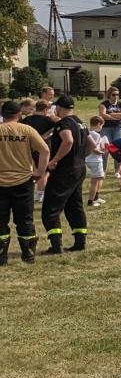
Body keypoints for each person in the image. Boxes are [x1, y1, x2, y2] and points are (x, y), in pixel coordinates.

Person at [0, 100, 49, 265]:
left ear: (2, 113)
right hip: (24, 181)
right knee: (25, 219)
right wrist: (40, 172)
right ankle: (28, 255)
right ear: (19, 114)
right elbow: (45, 150)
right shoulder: (27, 130)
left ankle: (1, 256)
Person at [41, 95, 89, 254]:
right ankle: (80, 242)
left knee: (51, 207)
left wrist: (54, 160)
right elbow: (91, 144)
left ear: (59, 108)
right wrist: (80, 157)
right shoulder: (80, 122)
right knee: (75, 206)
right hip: (79, 168)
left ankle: (56, 246)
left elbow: (67, 141)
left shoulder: (64, 123)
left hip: (65, 171)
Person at [85, 116, 110, 207]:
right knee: (95, 181)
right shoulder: (96, 135)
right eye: (102, 125)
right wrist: (103, 152)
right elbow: (94, 148)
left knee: (99, 178)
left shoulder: (87, 132)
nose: (101, 128)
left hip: (88, 159)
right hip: (95, 160)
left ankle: (96, 197)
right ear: (99, 124)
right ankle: (91, 201)